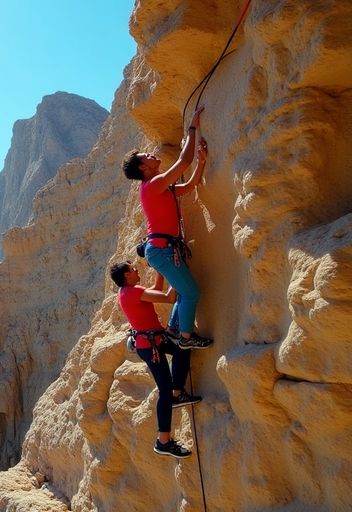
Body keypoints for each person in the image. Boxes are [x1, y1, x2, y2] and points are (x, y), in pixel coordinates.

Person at [121, 106, 214, 349]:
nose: (152, 155)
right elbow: (183, 162)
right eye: (146, 157)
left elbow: (190, 184)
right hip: (162, 250)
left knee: (185, 291)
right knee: (191, 292)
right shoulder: (153, 184)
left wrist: (201, 162)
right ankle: (185, 338)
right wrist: (192, 127)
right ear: (143, 168)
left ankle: (175, 328)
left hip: (162, 249)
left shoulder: (159, 187)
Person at [110, 261, 201, 459]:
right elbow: (169, 298)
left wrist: (161, 270)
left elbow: (155, 291)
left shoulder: (128, 292)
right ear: (126, 276)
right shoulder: (132, 292)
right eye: (132, 269)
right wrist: (176, 273)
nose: (136, 269)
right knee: (164, 390)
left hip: (153, 341)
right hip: (150, 346)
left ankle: (178, 393)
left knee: (182, 349)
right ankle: (163, 441)